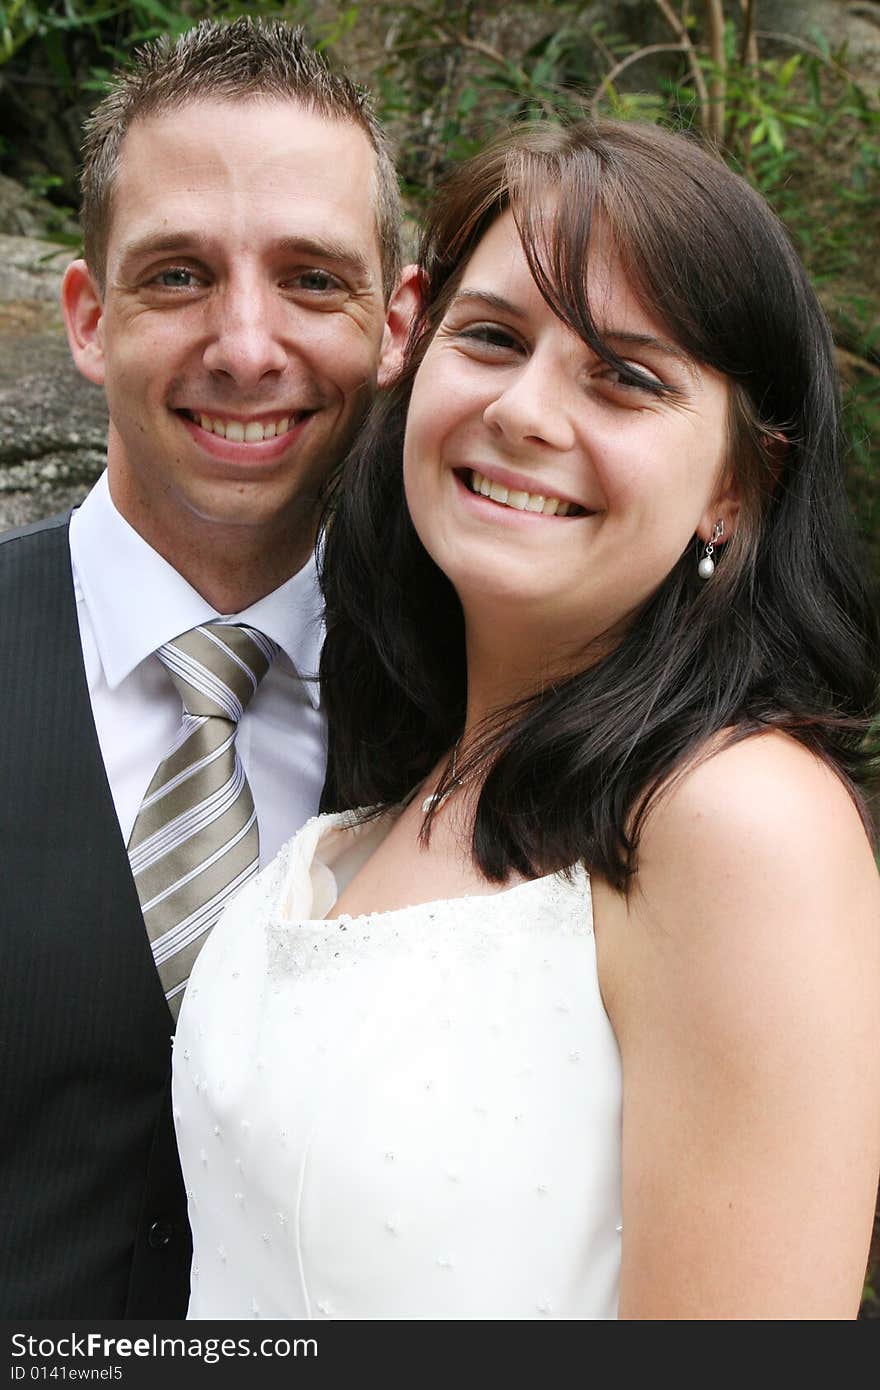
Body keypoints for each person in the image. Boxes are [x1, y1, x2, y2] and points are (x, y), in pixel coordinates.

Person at [172, 118, 880, 1320]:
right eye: (492, 338)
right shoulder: (378, 793)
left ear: (733, 487)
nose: (526, 412)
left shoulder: (737, 826)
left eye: (626, 377)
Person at [0, 17, 415, 1318]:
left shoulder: (478, 711)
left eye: (310, 279)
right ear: (86, 315)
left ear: (396, 324)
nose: (246, 345)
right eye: (179, 274)